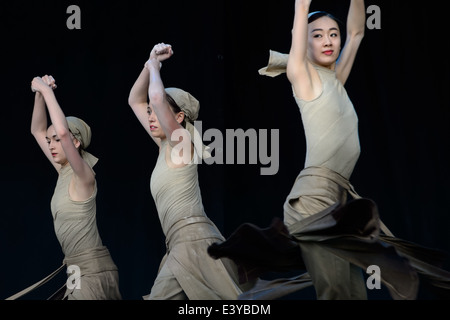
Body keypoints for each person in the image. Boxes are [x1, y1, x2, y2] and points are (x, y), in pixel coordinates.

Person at [208, 0, 450, 300]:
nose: (328, 41)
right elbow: (299, 19)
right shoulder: (304, 77)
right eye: (317, 35)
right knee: (336, 291)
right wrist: (301, 8)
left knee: (351, 291)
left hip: (337, 202)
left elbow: (358, 32)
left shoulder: (336, 80)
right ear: (303, 42)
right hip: (313, 199)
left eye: (333, 34)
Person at [128, 42, 251, 300]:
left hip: (192, 242)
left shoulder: (182, 142)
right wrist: (149, 62)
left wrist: (155, 68)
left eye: (157, 113)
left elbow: (156, 98)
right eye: (149, 113)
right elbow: (135, 100)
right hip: (179, 245)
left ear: (180, 118)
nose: (151, 116)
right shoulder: (164, 146)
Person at [7, 75, 122, 300]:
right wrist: (39, 94)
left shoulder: (83, 175)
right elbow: (37, 130)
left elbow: (62, 133)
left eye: (56, 141)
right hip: (76, 271)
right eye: (49, 141)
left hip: (92, 271)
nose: (50, 144)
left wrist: (48, 92)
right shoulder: (64, 172)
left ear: (75, 142)